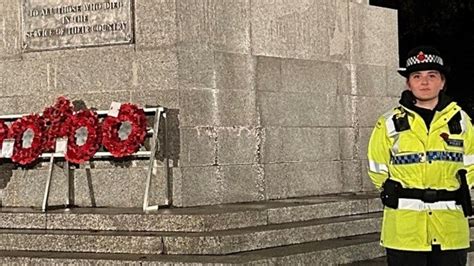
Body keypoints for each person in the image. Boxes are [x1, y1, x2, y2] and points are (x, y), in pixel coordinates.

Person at [367, 45, 474, 265]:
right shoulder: (388, 122)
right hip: (404, 231)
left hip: (449, 230)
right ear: (408, 83)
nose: (424, 82)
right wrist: (390, 188)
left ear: (442, 82)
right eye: (417, 76)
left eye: (432, 75)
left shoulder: (462, 121)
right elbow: (376, 166)